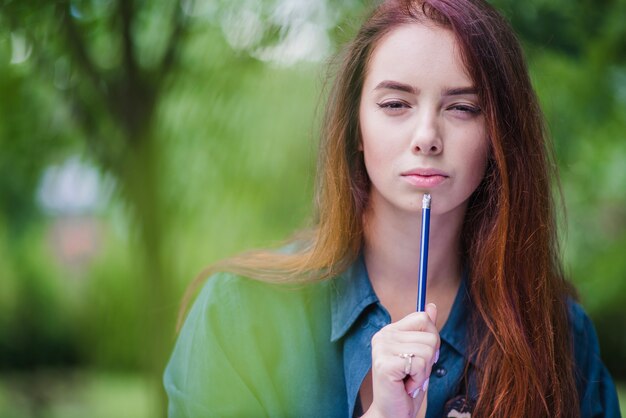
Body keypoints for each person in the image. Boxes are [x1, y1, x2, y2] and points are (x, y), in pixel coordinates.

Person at [164, 0, 621, 417]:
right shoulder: (237, 314)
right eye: (395, 103)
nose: (427, 135)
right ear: (356, 129)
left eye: (462, 107)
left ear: (498, 138)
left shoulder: (559, 336)